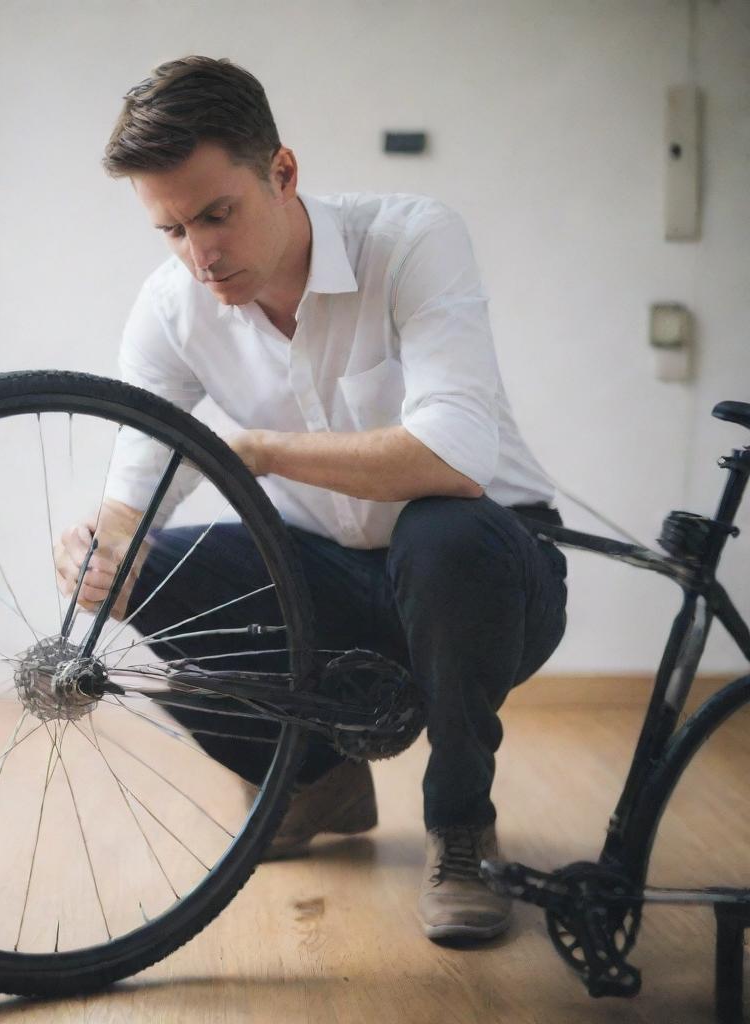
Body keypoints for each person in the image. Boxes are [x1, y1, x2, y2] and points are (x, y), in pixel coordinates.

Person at [54, 55, 568, 943]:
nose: (201, 254)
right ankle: (312, 779)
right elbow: (138, 481)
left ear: (282, 173)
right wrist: (103, 544)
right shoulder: (172, 307)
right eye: (172, 230)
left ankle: (460, 825)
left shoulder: (411, 240)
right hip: (328, 574)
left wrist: (257, 450)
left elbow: (454, 455)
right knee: (149, 572)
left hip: (491, 571)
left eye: (218, 213)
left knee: (443, 533)